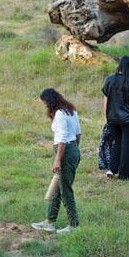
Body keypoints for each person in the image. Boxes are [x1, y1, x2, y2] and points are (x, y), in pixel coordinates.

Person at [32, 88, 81, 234]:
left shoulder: (60, 114)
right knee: (58, 189)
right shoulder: (70, 110)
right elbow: (78, 134)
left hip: (65, 153)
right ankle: (49, 221)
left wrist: (58, 159)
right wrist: (74, 150)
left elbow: (62, 138)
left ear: (50, 101)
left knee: (65, 191)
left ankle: (74, 226)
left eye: (45, 103)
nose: (45, 106)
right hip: (72, 150)